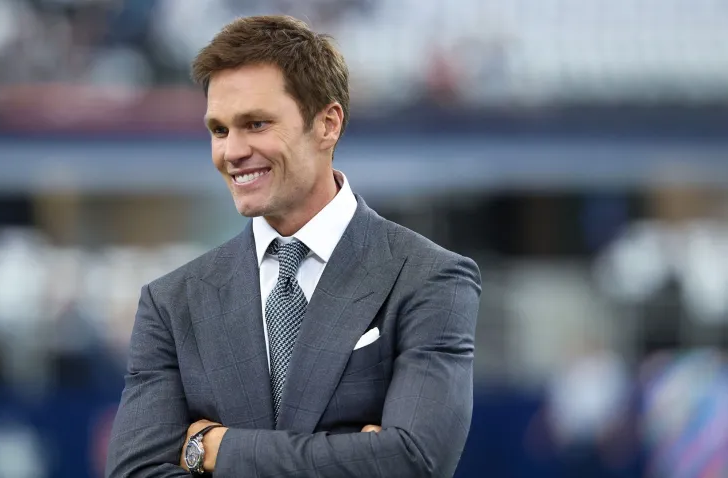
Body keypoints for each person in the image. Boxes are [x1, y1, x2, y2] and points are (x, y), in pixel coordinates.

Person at [105, 15, 481, 478]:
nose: (232, 151)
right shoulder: (171, 302)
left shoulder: (429, 278)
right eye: (219, 130)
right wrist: (351, 456)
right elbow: (133, 472)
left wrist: (213, 448)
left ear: (327, 124)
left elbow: (412, 461)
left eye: (256, 124)